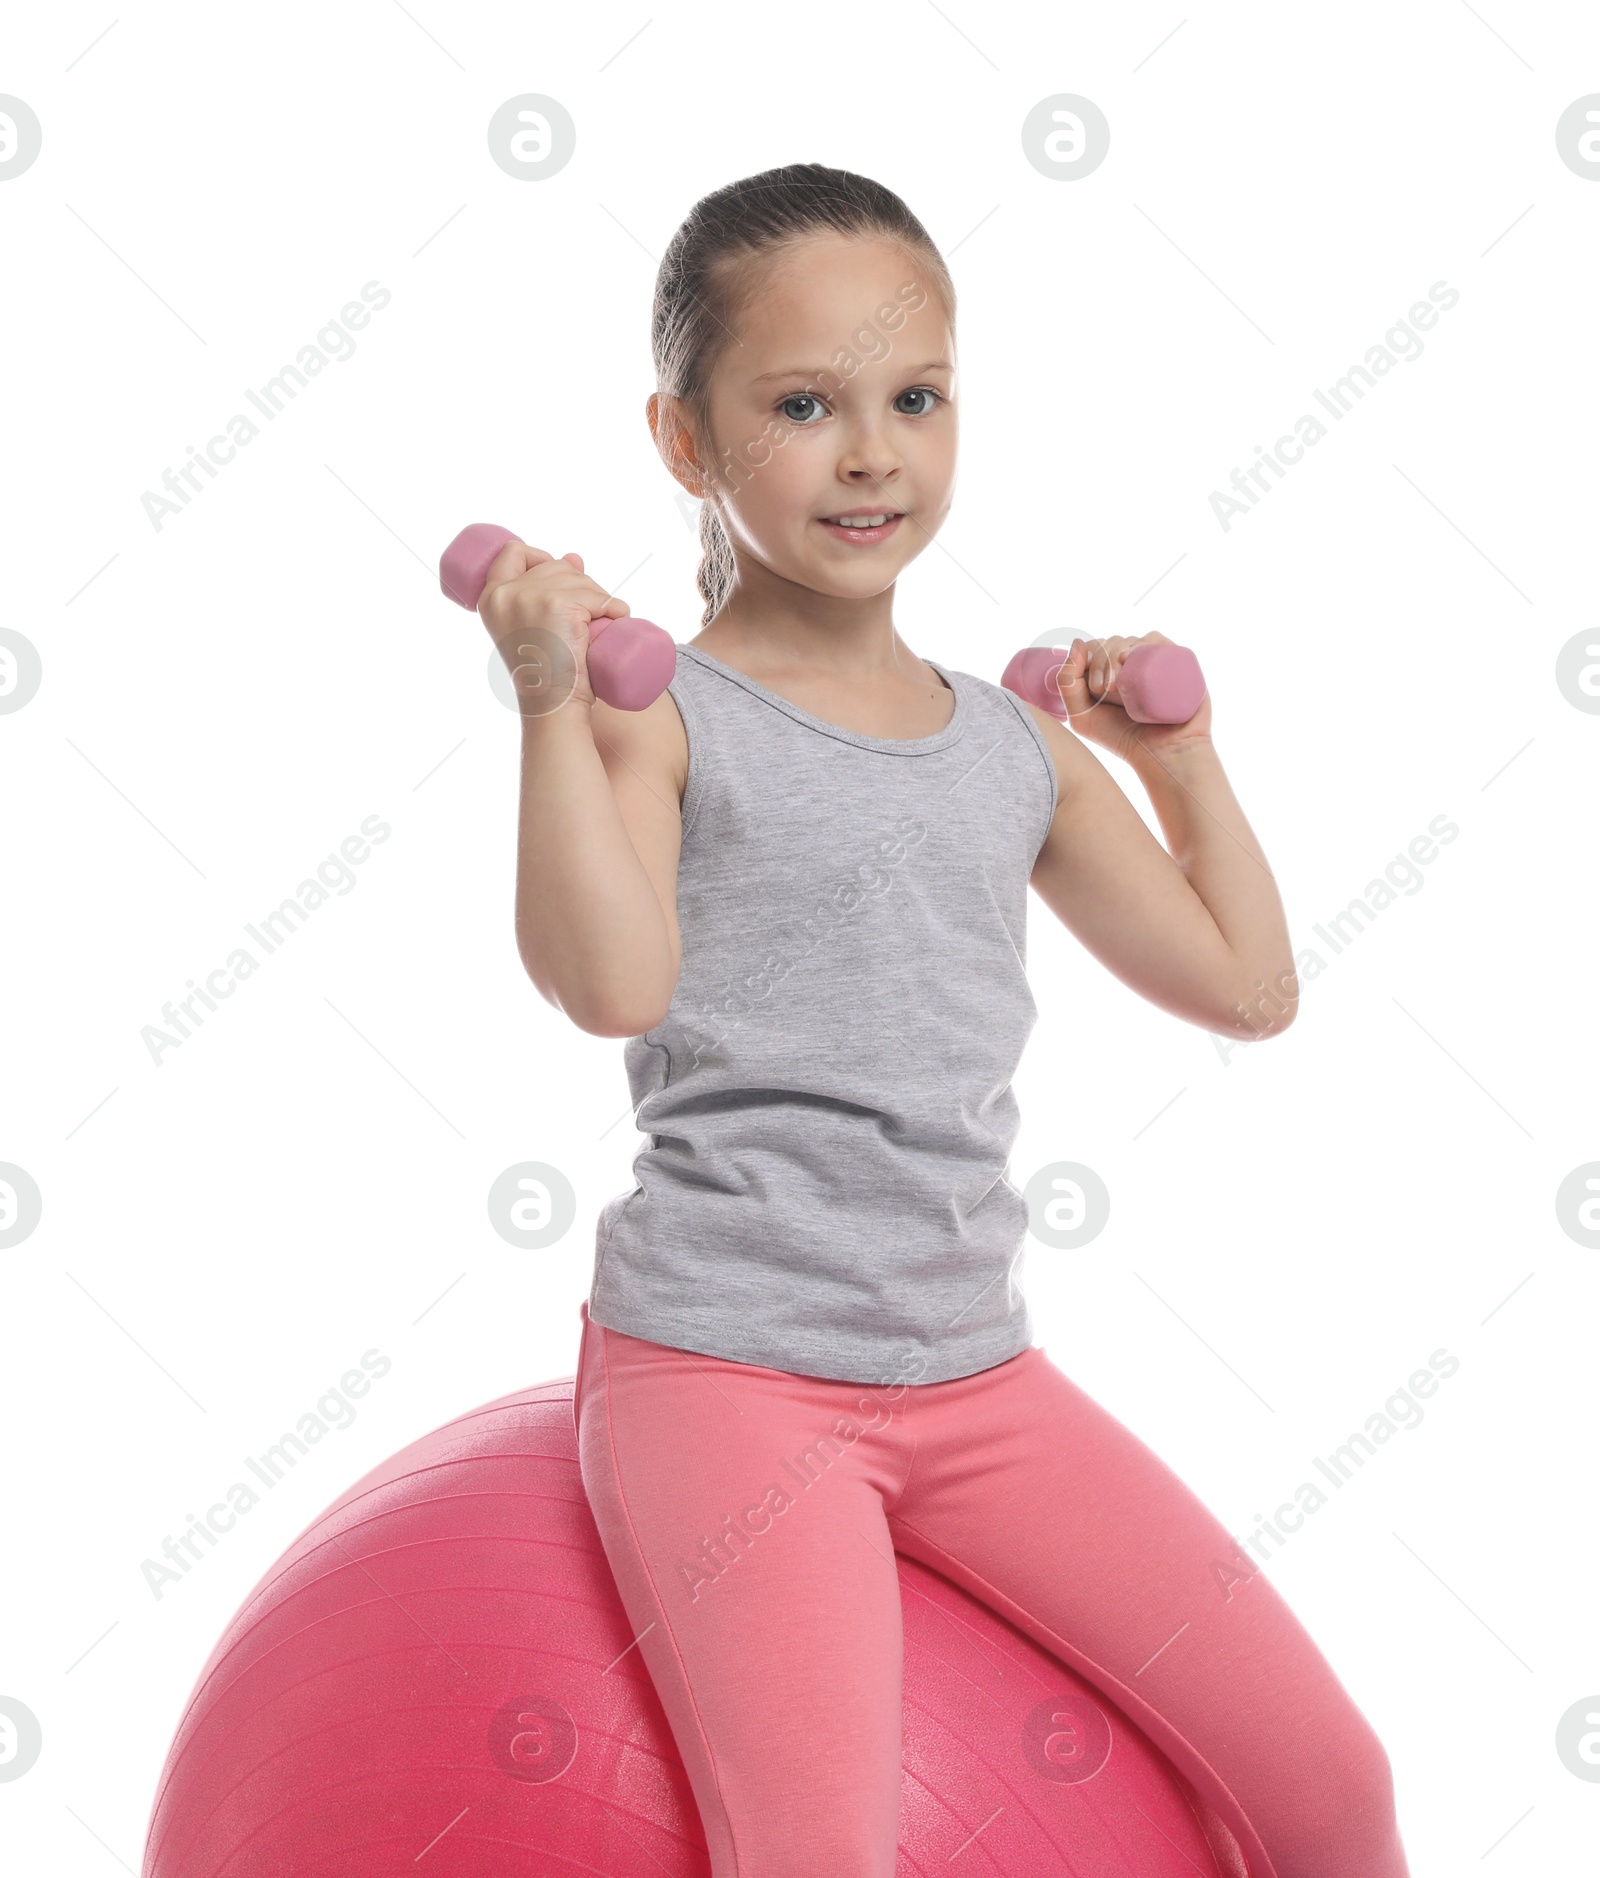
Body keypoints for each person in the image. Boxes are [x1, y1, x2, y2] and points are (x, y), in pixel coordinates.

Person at [480, 162, 1411, 1878]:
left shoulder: (1009, 744)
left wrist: (1180, 762)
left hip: (972, 1375)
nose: (872, 453)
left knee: (1335, 1791)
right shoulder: (658, 711)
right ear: (685, 441)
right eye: (804, 404)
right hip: (730, 1380)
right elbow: (607, 983)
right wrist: (546, 701)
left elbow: (1250, 990)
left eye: (916, 398)